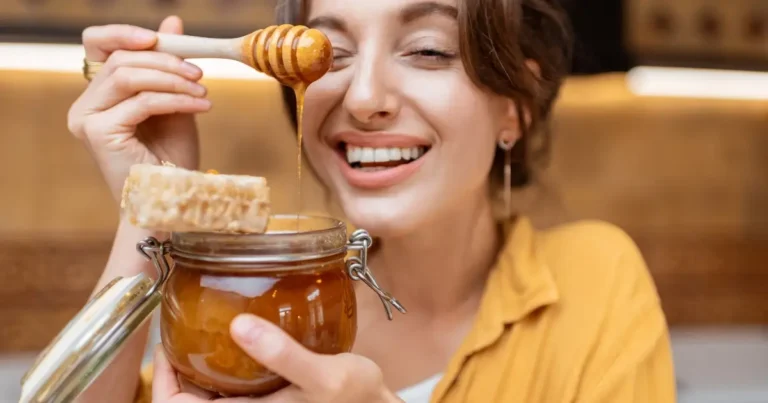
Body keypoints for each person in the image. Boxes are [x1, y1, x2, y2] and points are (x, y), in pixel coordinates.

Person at [67, 0, 677, 402]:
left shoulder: (592, 280)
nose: (363, 98)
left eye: (429, 50)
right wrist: (153, 200)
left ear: (513, 107)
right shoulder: (269, 299)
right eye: (330, 55)